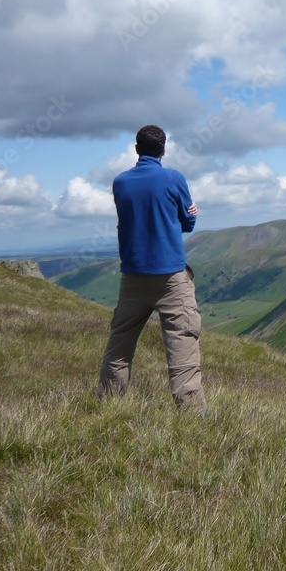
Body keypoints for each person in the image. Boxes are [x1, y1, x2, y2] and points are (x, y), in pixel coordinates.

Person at [98, 125, 206, 415]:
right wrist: (190, 212)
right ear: (163, 149)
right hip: (171, 277)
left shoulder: (120, 182)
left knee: (119, 346)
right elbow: (187, 223)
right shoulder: (174, 179)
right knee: (182, 344)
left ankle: (109, 407)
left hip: (132, 277)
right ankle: (193, 418)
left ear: (137, 149)